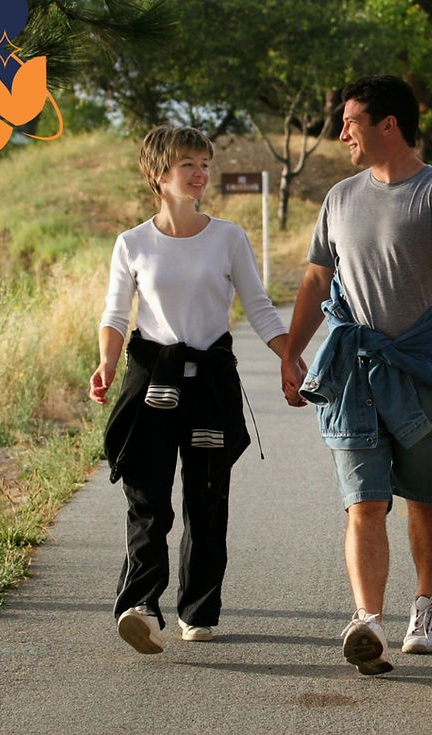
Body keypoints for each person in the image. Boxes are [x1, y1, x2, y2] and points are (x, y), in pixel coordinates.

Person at [279, 75, 432, 675]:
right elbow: (316, 280)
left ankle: (425, 605)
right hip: (353, 371)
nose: (341, 131)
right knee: (364, 500)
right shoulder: (340, 198)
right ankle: (369, 621)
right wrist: (291, 352)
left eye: (351, 120)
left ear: (389, 125)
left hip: (421, 365)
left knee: (427, 496)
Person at [89, 125, 302, 655]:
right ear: (159, 174)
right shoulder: (132, 242)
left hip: (210, 381)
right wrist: (106, 363)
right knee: (147, 498)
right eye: (188, 164)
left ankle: (198, 611)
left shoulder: (228, 237)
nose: (200, 173)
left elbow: (257, 306)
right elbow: (116, 314)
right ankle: (139, 606)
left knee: (207, 499)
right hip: (151, 380)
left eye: (204, 163)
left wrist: (290, 358)